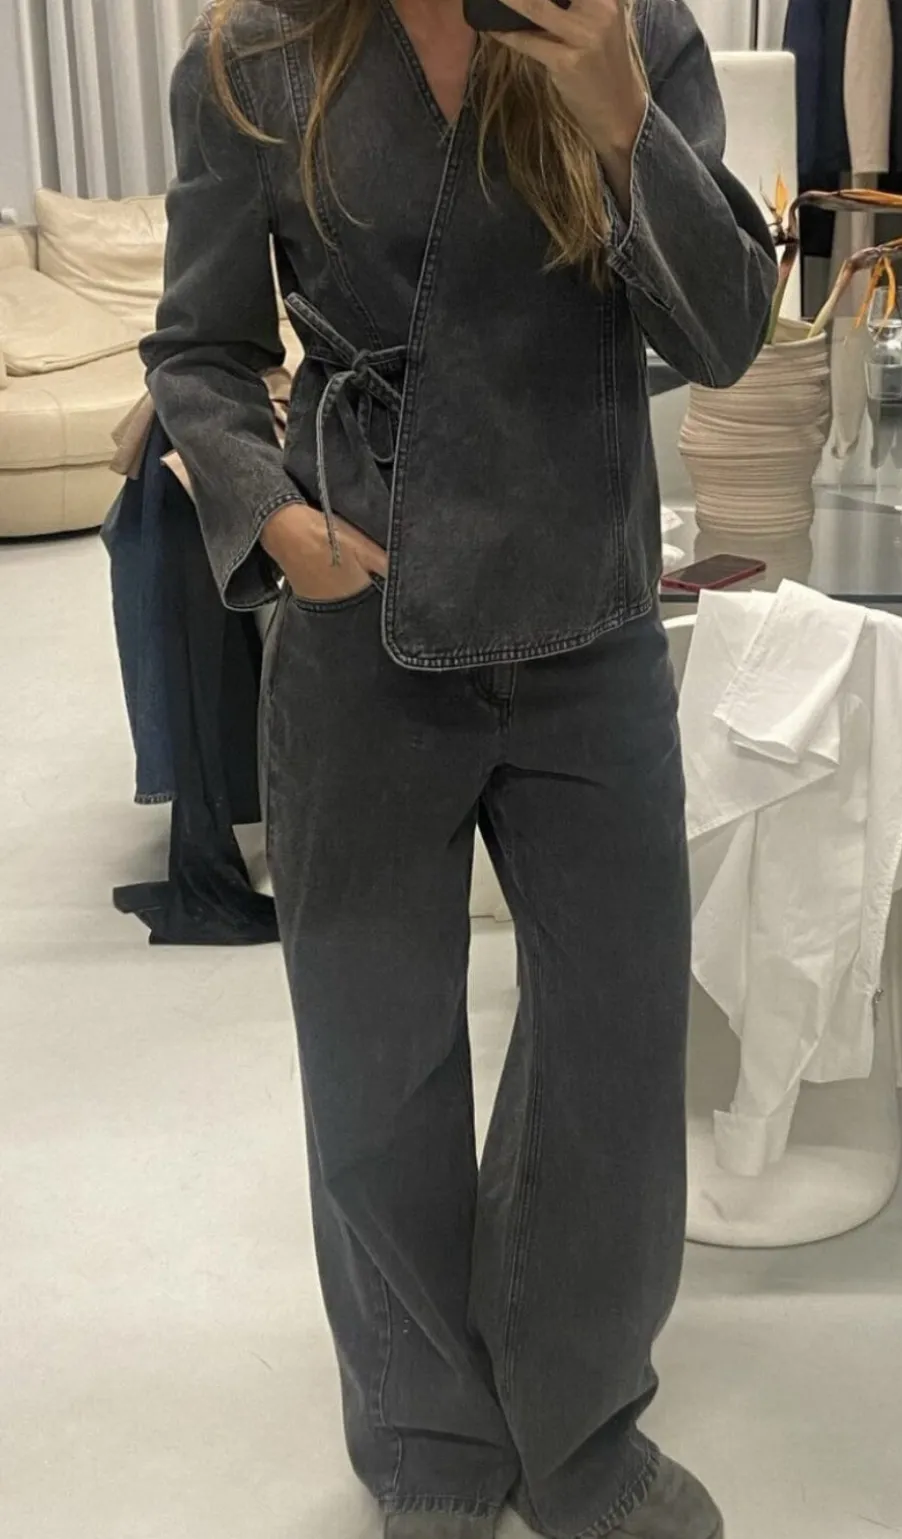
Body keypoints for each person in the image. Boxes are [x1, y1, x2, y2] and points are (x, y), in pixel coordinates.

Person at [142, 1, 776, 1534]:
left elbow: (727, 333)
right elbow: (199, 349)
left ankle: (581, 1431)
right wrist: (273, 516)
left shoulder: (631, 27)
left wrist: (621, 112)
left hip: (589, 619)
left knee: (614, 1058)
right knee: (379, 1065)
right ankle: (430, 1441)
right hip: (362, 619)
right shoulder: (253, 59)